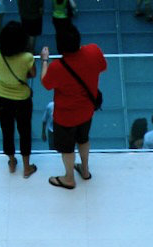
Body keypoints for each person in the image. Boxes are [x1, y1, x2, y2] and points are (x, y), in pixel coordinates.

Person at [41, 25, 106, 189]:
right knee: (83, 139)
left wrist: (44, 60)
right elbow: (102, 67)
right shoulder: (94, 51)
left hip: (65, 117)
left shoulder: (57, 67)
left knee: (68, 148)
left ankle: (69, 178)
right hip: (87, 111)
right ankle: (84, 170)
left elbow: (45, 83)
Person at [0, 22, 39, 178]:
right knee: (25, 132)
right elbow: (32, 74)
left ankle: (12, 162)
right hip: (21, 100)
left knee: (7, 130)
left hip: (0, 98)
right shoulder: (27, 58)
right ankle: (26, 168)